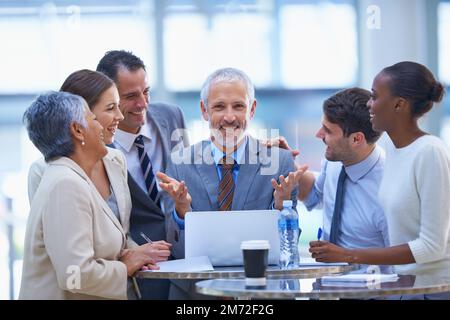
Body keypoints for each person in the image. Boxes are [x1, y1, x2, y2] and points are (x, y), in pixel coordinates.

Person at [309, 61, 450, 299]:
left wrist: (349, 255)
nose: (369, 104)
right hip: (404, 286)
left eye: (374, 97)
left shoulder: (430, 151)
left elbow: (432, 247)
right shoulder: (395, 152)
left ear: (399, 105)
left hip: (430, 290)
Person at [26, 69, 172, 298]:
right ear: (76, 129)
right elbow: (75, 274)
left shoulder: (73, 174)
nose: (120, 118)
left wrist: (133, 254)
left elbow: (113, 239)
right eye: (94, 118)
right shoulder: (65, 183)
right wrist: (124, 265)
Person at [157, 67, 299, 299]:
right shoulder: (179, 163)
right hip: (195, 296)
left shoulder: (280, 162)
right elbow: (179, 252)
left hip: (260, 295)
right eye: (219, 107)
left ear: (252, 109)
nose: (230, 117)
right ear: (204, 110)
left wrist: (281, 207)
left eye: (238, 106)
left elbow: (287, 253)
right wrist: (183, 210)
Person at [96, 50, 189, 299]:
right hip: (138, 267)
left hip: (185, 257)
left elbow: (191, 171)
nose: (143, 104)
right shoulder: (98, 146)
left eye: (146, 92)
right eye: (131, 96)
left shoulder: (172, 116)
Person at [296, 88, 389, 250]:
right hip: (327, 274)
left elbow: (404, 265)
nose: (318, 135)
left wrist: (347, 256)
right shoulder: (334, 161)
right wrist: (284, 159)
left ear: (356, 139)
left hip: (368, 275)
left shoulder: (388, 190)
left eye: (328, 130)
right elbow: (315, 195)